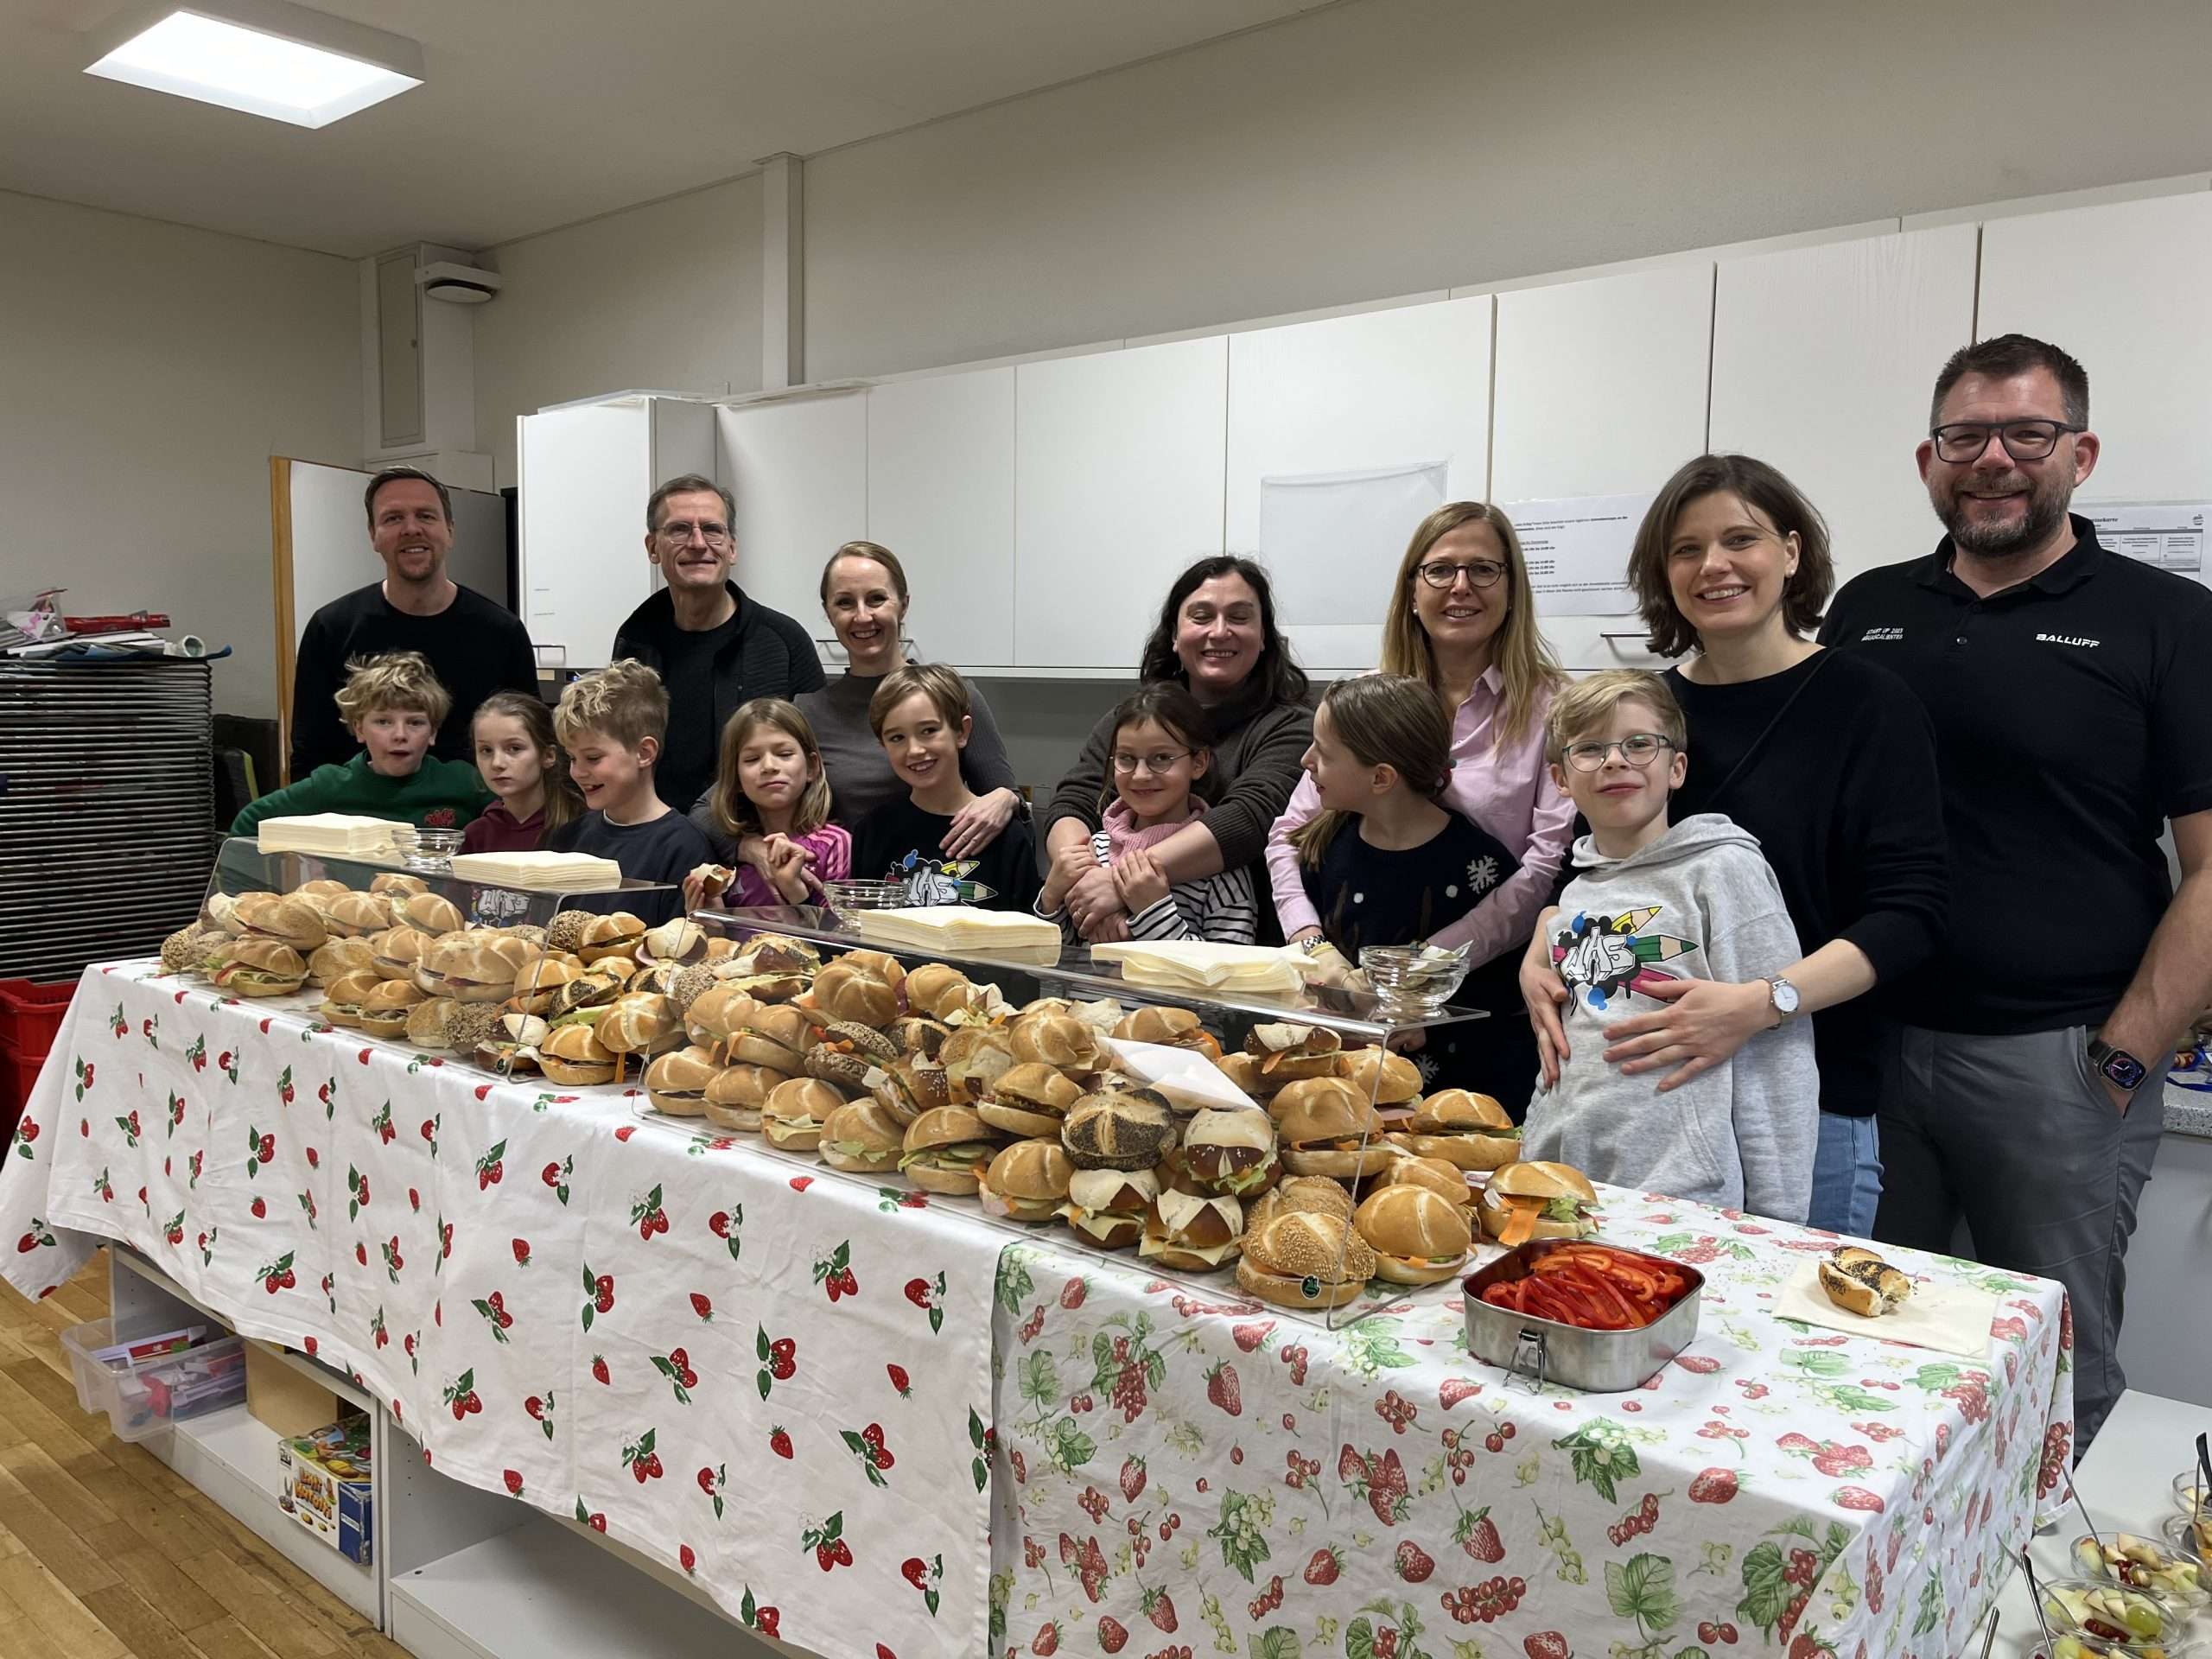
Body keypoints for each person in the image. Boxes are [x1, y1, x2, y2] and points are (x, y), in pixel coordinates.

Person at [1821, 333, 2212, 1445]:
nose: (1993, 459)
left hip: (2056, 1063)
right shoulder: (1865, 609)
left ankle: (2052, 1561)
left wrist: (2123, 1058)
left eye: (2027, 435)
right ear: (1927, 460)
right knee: (1865, 1360)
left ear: (2079, 455)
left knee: (2051, 1377)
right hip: (1866, 1051)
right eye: (1965, 436)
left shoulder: (2167, 619)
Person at [1518, 455, 1947, 1237]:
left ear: (1791, 552)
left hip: (1807, 1105)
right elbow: (1595, 868)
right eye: (1686, 549)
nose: (1713, 565)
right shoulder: (1645, 712)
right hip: (1642, 1117)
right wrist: (1540, 949)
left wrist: (1761, 1004)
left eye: (1739, 539)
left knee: (1772, 1313)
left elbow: (1910, 916)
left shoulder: (1867, 703)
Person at [1268, 505, 1573, 1116]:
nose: (1461, 586)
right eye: (1440, 570)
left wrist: (1419, 973)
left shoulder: (1555, 708)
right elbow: (1288, 835)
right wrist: (1311, 947)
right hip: (1353, 990)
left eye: (1483, 569)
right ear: (1412, 590)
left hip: (1484, 995)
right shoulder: (1365, 696)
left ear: (1512, 588)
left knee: (1465, 1144)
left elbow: (1546, 868)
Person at [1523, 671, 1816, 1222]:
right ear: (1561, 778)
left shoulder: (1724, 870)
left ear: (1676, 768)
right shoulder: (1577, 893)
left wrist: (1779, 1217)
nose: (1615, 761)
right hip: (1565, 1187)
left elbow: (1778, 1052)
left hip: (1686, 1196)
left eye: (1639, 744)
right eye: (1590, 748)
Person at [1044, 556, 1313, 944]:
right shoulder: (1131, 717)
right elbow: (1075, 800)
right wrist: (1084, 882)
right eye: (1201, 616)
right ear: (1174, 633)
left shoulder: (1291, 726)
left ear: (1264, 635)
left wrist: (1120, 884)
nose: (1219, 632)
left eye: (1239, 617)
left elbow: (1248, 821)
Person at [1282, 675, 1523, 1092]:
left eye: (1323, 752)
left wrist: (1427, 1021)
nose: (1306, 761)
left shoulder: (1478, 864)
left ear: (1381, 778)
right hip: (1340, 1084)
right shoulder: (1323, 846)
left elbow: (1505, 993)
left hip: (1448, 1093)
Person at [289, 467, 538, 778]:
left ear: (450, 530)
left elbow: (531, 747)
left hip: (474, 808)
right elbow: (308, 757)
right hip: (358, 809)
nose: (411, 529)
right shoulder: (331, 629)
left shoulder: (502, 633)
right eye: (393, 518)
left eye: (426, 516)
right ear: (373, 535)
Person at [608, 474, 825, 821]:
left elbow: (816, 761)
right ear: (652, 547)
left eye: (712, 529)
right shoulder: (635, 640)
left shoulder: (784, 642)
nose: (698, 543)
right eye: (679, 529)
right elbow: (622, 749)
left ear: (732, 547)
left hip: (758, 839)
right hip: (659, 837)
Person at [801, 543, 1023, 847]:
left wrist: (1006, 799)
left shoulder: (956, 696)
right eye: (845, 603)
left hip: (945, 871)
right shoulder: (808, 714)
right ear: (828, 613)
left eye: (877, 599)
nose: (863, 616)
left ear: (903, 604)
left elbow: (1009, 805)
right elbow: (758, 808)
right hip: (851, 875)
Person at [1038, 683, 1259, 944]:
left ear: (1198, 762)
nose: (1141, 775)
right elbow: (1052, 955)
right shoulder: (1094, 851)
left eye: (1162, 758)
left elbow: (1231, 965)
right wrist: (1050, 899)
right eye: (1126, 758)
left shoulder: (1219, 869)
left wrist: (1152, 913)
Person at [235, 652, 490, 835]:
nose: (400, 735)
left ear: (433, 732)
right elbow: (251, 820)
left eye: (415, 723)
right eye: (383, 722)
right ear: (359, 729)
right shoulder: (330, 785)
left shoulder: (464, 782)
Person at [853, 664, 1040, 912]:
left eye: (929, 731)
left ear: (962, 732)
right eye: (897, 738)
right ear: (883, 745)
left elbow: (1025, 929)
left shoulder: (1006, 835)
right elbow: (862, 924)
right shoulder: (872, 831)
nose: (915, 750)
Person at [546, 659, 711, 925]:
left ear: (644, 753)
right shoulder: (567, 839)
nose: (577, 772)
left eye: (593, 758)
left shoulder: (683, 848)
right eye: (573, 758)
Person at [687, 698, 852, 907]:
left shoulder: (834, 843)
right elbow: (720, 928)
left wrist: (794, 890)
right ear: (735, 779)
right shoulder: (721, 851)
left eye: (784, 754)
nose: (769, 766)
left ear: (812, 766)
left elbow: (838, 927)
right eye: (752, 759)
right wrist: (712, 917)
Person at [461, 693, 581, 855]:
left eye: (514, 748)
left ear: (548, 755)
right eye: (486, 750)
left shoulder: (582, 829)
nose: (497, 763)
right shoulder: (475, 836)